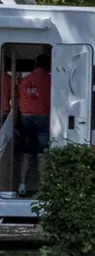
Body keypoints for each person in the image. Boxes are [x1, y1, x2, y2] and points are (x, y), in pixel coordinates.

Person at [17, 55, 49, 195]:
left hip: (26, 117)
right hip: (43, 117)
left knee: (27, 153)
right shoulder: (50, 79)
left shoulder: (25, 80)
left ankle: (22, 186)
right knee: (42, 153)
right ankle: (43, 188)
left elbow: (19, 98)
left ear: (35, 64)